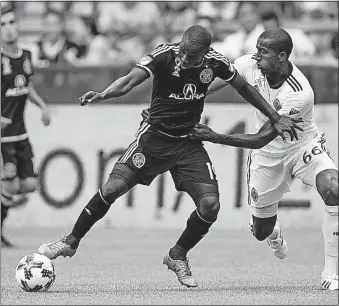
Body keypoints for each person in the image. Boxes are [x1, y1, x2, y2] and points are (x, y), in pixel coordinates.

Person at [38, 25, 301, 288]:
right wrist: (104, 94)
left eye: (191, 57)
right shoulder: (164, 55)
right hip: (154, 139)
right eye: (183, 52)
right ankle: (70, 241)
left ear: (205, 54)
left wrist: (275, 117)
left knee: (210, 206)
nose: (184, 59)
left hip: (188, 143)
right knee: (112, 187)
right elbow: (130, 80)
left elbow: (243, 87)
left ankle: (177, 255)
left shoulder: (216, 62)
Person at [190, 28, 338, 290]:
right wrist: (184, 98)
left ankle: (331, 274)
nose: (256, 55)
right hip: (268, 158)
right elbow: (206, 87)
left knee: (334, 189)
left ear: (281, 56)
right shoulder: (249, 64)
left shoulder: (299, 93)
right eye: (256, 48)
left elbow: (260, 138)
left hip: (302, 147)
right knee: (261, 231)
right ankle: (272, 231)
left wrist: (214, 137)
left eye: (263, 51)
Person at [1, 7, 51, 247]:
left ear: (18, 25)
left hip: (21, 133)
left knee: (29, 184)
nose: (8, 28)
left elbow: (27, 87)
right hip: (3, 137)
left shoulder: (27, 55)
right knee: (10, 184)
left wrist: (42, 106)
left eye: (11, 22)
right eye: (3, 24)